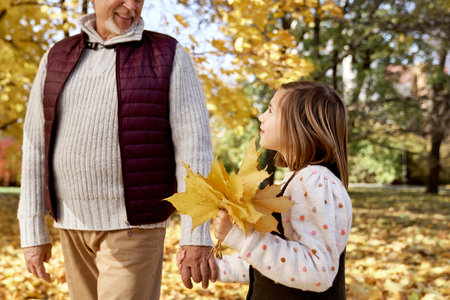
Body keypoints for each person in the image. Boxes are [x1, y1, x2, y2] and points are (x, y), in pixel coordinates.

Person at [18, 0, 217, 299]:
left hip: (134, 226)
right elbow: (35, 146)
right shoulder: (56, 57)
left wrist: (197, 232)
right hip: (71, 226)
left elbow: (194, 151)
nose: (131, 6)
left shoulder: (167, 55)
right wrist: (32, 230)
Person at [178, 81, 352, 299]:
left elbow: (318, 272)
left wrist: (240, 237)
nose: (261, 116)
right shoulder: (298, 179)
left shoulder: (315, 181)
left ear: (299, 124)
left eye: (271, 110)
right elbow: (280, 266)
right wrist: (214, 266)